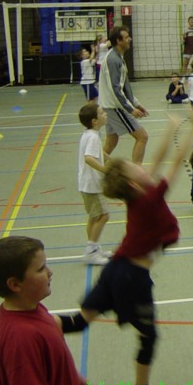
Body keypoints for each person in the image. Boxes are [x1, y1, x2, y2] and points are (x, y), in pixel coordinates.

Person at [60, 114, 193, 385]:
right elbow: (172, 166)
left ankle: (35, 324)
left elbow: (157, 162)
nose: (141, 167)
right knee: (148, 338)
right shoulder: (148, 200)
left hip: (114, 270)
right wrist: (191, 133)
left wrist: (170, 127)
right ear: (134, 184)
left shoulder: (138, 195)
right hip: (131, 279)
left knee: (79, 322)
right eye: (136, 168)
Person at [0, 236, 109, 385]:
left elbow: (59, 365)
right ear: (15, 284)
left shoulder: (35, 309)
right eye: (41, 268)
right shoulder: (20, 339)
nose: (50, 272)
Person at [98, 25, 149, 164]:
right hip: (114, 107)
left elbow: (124, 87)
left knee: (111, 142)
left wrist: (136, 103)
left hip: (108, 105)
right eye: (126, 37)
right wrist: (131, 109)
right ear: (118, 41)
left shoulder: (118, 57)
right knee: (142, 137)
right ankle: (136, 174)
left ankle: (94, 168)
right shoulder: (113, 60)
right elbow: (116, 91)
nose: (129, 39)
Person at [78, 102, 112, 265]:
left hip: (86, 183)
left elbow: (96, 152)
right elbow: (89, 158)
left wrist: (109, 158)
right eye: (101, 113)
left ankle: (93, 247)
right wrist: (105, 170)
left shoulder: (89, 134)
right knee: (104, 215)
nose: (105, 114)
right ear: (94, 121)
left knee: (94, 216)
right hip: (92, 184)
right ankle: (90, 251)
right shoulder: (92, 136)